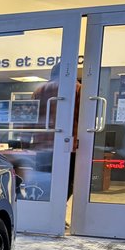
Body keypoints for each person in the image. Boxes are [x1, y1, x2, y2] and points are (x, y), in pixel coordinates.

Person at [31, 63, 82, 198]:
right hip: (68, 145)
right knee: (68, 180)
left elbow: (31, 117)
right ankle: (60, 205)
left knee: (43, 179)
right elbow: (82, 117)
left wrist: (27, 141)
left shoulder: (39, 90)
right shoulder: (77, 88)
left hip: (42, 145)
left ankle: (46, 205)